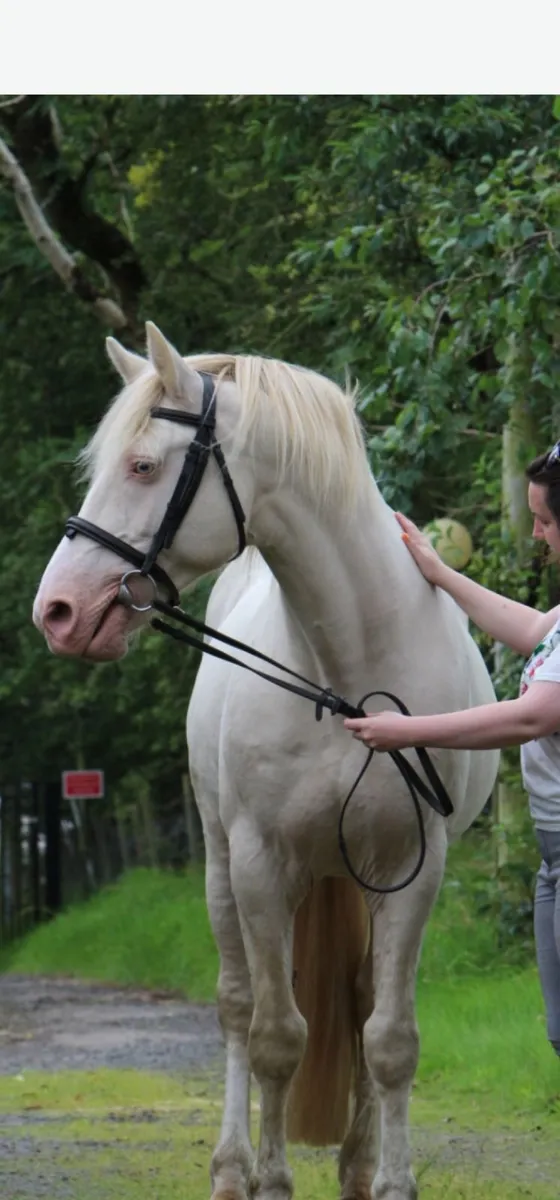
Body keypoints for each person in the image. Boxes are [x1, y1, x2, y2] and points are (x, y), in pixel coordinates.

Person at [344, 443, 560, 1059]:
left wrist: (404, 732)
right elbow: (531, 630)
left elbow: (532, 715)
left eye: (544, 521)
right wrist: (438, 573)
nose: (539, 536)